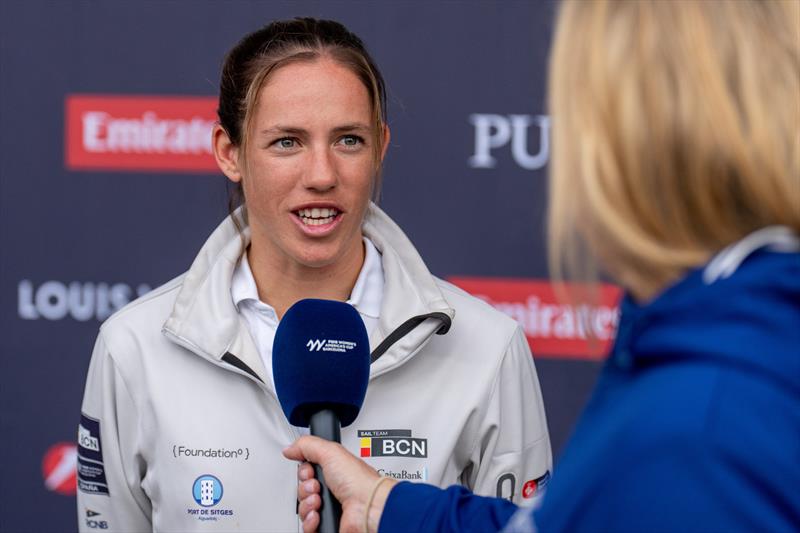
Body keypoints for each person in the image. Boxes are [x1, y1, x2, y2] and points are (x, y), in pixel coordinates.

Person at [285, 0, 800, 531]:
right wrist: (382, 508)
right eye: (287, 142)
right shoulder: (725, 344)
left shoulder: (699, 431)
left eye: (579, 112)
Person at [76, 17, 552, 532]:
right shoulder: (134, 349)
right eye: (287, 142)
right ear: (229, 152)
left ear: (380, 147)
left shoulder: (485, 346)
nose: (322, 175)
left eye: (348, 140)